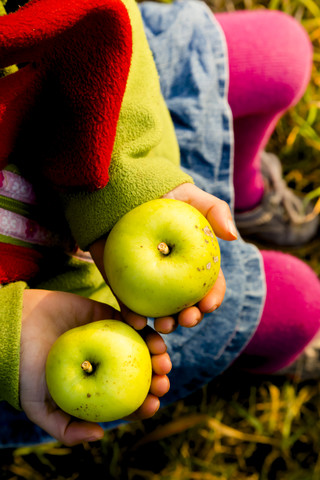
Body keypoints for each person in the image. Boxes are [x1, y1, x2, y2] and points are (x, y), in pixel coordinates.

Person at [0, 0, 319, 448]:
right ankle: (248, 360)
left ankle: (244, 197)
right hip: (53, 302)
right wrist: (7, 335)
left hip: (99, 118)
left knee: (282, 53)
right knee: (299, 306)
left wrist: (119, 184)